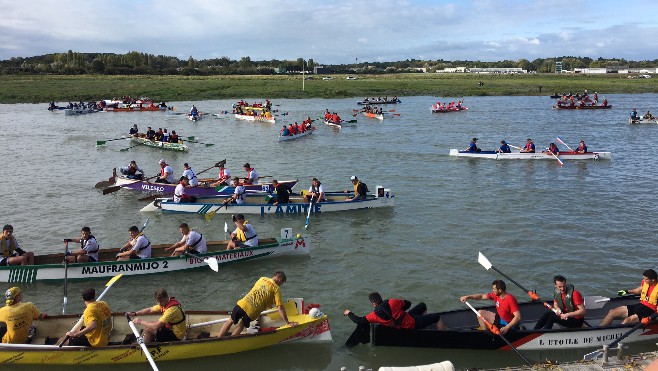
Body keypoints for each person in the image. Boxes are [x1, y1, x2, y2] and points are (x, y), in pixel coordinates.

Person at [217, 271, 298, 337]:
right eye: (282, 283)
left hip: (243, 303)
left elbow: (261, 292)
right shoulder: (276, 289)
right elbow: (280, 307)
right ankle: (230, 341)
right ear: (280, 279)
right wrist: (287, 322)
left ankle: (219, 339)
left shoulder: (262, 278)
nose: (281, 285)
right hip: (252, 311)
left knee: (230, 321)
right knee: (242, 325)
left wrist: (269, 306)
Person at [344, 292, 448, 331]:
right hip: (411, 322)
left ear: (373, 304)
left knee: (422, 306)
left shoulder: (374, 316)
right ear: (380, 298)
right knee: (436, 317)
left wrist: (349, 312)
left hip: (404, 323)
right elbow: (408, 304)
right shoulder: (392, 302)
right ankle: (442, 333)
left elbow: (359, 320)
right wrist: (399, 307)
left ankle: (424, 324)